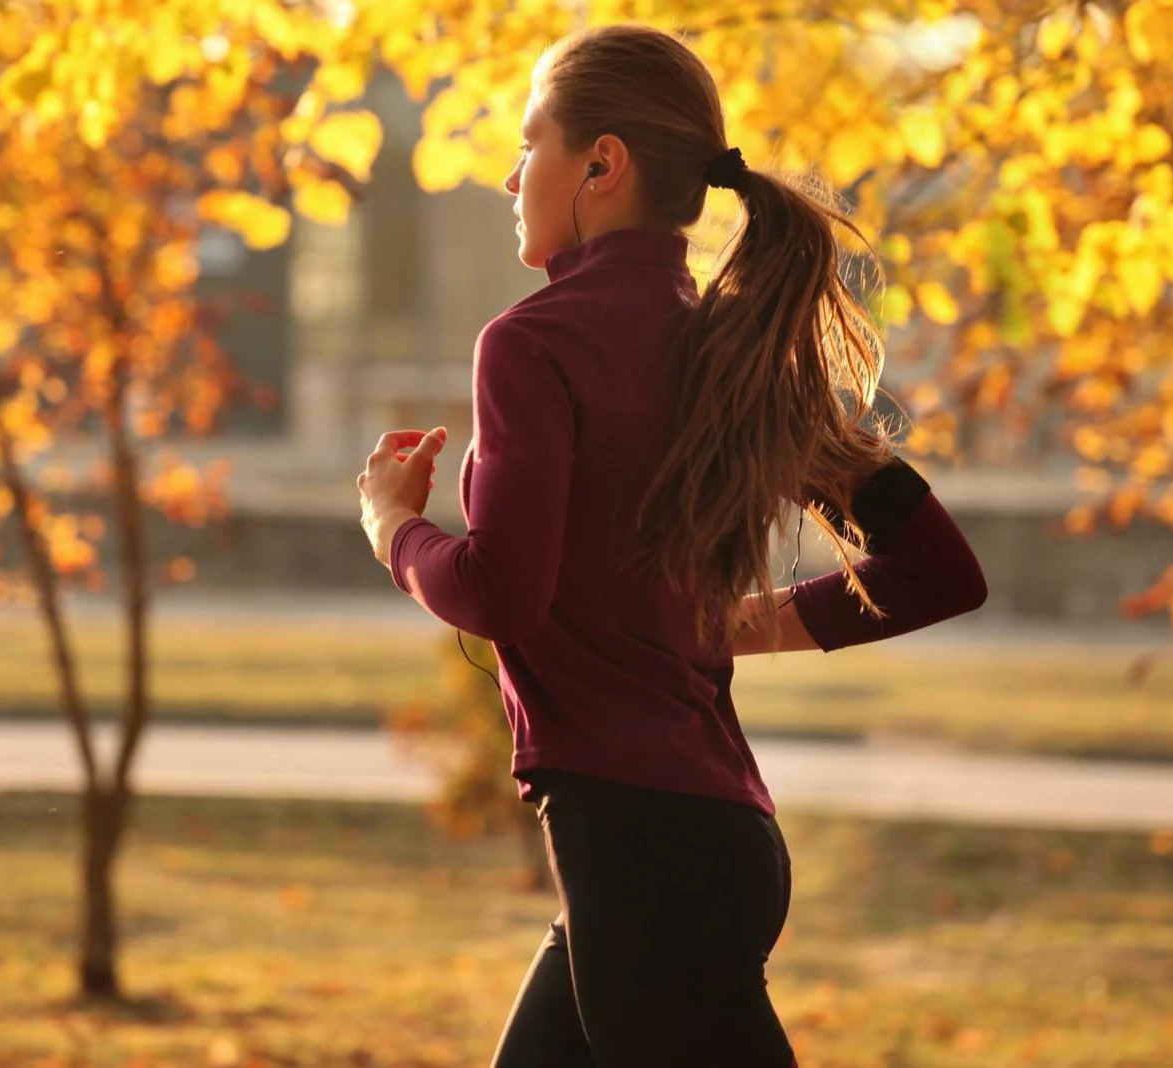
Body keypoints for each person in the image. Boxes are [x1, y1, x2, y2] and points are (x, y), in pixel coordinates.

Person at [355, 23, 988, 1068]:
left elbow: (503, 594)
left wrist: (393, 526)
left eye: (531, 144)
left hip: (642, 852)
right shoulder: (729, 353)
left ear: (601, 164)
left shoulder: (533, 343)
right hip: (704, 842)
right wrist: (740, 627)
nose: (512, 174)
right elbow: (938, 571)